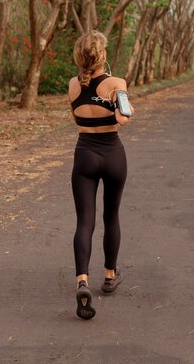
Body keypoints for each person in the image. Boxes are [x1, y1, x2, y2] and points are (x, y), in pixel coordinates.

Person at [68, 30, 133, 320]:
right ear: (102, 55)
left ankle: (82, 280)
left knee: (85, 220)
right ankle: (109, 276)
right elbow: (124, 118)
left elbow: (76, 118)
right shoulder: (116, 83)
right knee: (111, 216)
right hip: (112, 154)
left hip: (84, 154)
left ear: (80, 57)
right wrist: (117, 99)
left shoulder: (72, 85)